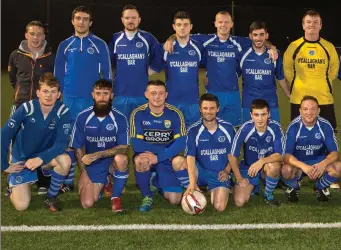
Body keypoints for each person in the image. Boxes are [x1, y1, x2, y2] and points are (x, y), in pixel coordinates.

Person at [164, 11, 278, 127]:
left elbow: (258, 40)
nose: (223, 25)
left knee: (232, 128)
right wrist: (170, 39)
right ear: (215, 24)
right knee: (210, 128)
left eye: (226, 22)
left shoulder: (239, 43)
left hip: (232, 93)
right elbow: (181, 35)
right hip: (212, 93)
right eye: (220, 22)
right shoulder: (205, 41)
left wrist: (272, 47)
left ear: (232, 24)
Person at [54, 6, 112, 191]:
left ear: (90, 22)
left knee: (96, 139)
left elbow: (107, 72)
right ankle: (69, 181)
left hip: (92, 99)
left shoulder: (99, 44)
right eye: (78, 18)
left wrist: (106, 96)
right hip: (70, 98)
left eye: (85, 19)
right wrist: (58, 96)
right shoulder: (65, 45)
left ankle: (101, 178)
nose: (81, 22)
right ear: (72, 21)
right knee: (70, 140)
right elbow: (58, 73)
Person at [1, 74, 72, 212]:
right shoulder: (27, 108)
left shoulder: (63, 112)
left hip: (44, 156)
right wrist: (4, 165)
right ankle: (12, 188)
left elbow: (60, 145)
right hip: (23, 158)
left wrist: (40, 158)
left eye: (53, 92)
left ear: (59, 95)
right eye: (45, 91)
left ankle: (51, 197)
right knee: (21, 206)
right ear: (38, 93)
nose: (48, 95)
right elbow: (4, 134)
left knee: (65, 161)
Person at [8, 20, 55, 194]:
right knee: (16, 145)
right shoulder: (15, 55)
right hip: (20, 106)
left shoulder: (51, 56)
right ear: (26, 35)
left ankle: (42, 180)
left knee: (42, 143)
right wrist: (21, 94)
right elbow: (13, 78)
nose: (36, 38)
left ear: (44, 36)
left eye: (39, 34)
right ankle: (15, 180)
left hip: (42, 107)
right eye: (32, 34)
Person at [69, 79, 129, 212]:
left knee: (122, 159)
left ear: (111, 96)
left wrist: (99, 154)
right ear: (92, 95)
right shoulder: (83, 117)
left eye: (105, 93)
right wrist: (83, 172)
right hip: (92, 164)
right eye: (98, 93)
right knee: (87, 203)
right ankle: (105, 183)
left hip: (111, 161)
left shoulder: (120, 118)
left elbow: (123, 148)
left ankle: (115, 198)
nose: (102, 98)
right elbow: (77, 146)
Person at [130, 79, 187, 212]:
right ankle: (147, 195)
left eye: (161, 93)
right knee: (140, 160)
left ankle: (156, 182)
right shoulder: (138, 114)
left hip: (167, 159)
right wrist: (159, 155)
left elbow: (181, 142)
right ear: (146, 94)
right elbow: (137, 144)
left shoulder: (175, 113)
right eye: (153, 93)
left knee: (174, 200)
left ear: (166, 95)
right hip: (149, 156)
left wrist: (160, 156)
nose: (157, 97)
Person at [172, 93, 235, 212]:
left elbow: (234, 154)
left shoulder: (228, 128)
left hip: (218, 174)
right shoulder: (193, 130)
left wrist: (227, 170)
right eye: (205, 108)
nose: (208, 111)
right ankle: (191, 189)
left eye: (212, 108)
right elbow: (190, 157)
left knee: (219, 207)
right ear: (200, 109)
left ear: (218, 109)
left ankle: (218, 187)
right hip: (199, 171)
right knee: (177, 162)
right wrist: (191, 182)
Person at [283, 10, 339, 130]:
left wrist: (321, 82)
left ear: (320, 25)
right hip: (299, 98)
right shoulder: (293, 46)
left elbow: (334, 70)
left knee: (328, 136)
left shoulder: (328, 47)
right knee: (298, 137)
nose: (311, 25)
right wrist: (298, 83)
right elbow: (287, 69)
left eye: (315, 22)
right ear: (303, 25)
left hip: (324, 98)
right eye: (308, 22)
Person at [282, 95, 341, 203]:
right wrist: (303, 166)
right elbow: (286, 156)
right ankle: (294, 187)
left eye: (313, 109)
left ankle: (319, 187)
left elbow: (335, 153)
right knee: (286, 170)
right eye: (305, 109)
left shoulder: (325, 125)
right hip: (299, 166)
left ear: (318, 110)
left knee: (339, 167)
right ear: (300, 110)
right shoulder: (294, 127)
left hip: (319, 164)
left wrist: (323, 164)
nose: (309, 112)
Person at [109, 5, 162, 120]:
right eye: (127, 18)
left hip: (142, 93)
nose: (130, 21)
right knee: (121, 127)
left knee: (141, 129)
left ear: (139, 19)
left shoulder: (148, 38)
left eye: (134, 18)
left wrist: (151, 70)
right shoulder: (115, 38)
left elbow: (160, 54)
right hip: (120, 94)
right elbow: (108, 62)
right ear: (122, 20)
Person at [229, 99, 284, 207]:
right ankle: (256, 187)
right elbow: (232, 155)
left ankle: (268, 194)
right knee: (239, 201)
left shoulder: (275, 127)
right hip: (249, 168)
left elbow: (280, 155)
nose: (260, 119)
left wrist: (262, 161)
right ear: (251, 115)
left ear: (269, 114)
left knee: (274, 166)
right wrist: (239, 178)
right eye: (256, 115)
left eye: (263, 114)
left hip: (266, 167)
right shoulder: (245, 128)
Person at [153, 12, 204, 127]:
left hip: (192, 101)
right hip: (171, 100)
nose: (182, 28)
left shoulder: (199, 46)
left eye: (186, 24)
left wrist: (207, 74)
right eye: (179, 24)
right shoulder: (165, 47)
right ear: (174, 27)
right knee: (172, 133)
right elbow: (154, 68)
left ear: (191, 27)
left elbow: (209, 64)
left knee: (192, 134)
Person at [239, 21, 290, 123]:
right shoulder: (242, 54)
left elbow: (280, 77)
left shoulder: (274, 55)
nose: (258, 38)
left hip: (270, 103)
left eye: (261, 34)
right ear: (250, 36)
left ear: (266, 35)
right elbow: (234, 74)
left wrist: (289, 95)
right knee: (249, 136)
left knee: (274, 135)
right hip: (248, 104)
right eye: (255, 35)